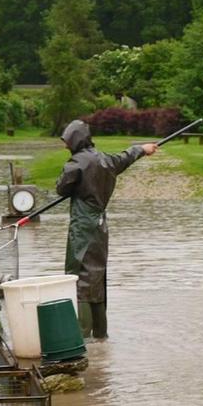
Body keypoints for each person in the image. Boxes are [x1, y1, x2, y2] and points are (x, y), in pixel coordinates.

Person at [56, 120, 158, 339]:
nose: (65, 146)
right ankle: (101, 335)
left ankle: (81, 336)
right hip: (101, 225)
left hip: (82, 227)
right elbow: (126, 157)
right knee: (97, 275)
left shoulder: (75, 164)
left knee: (79, 277)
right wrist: (142, 148)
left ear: (75, 140)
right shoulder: (106, 160)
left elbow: (61, 188)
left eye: (66, 141)